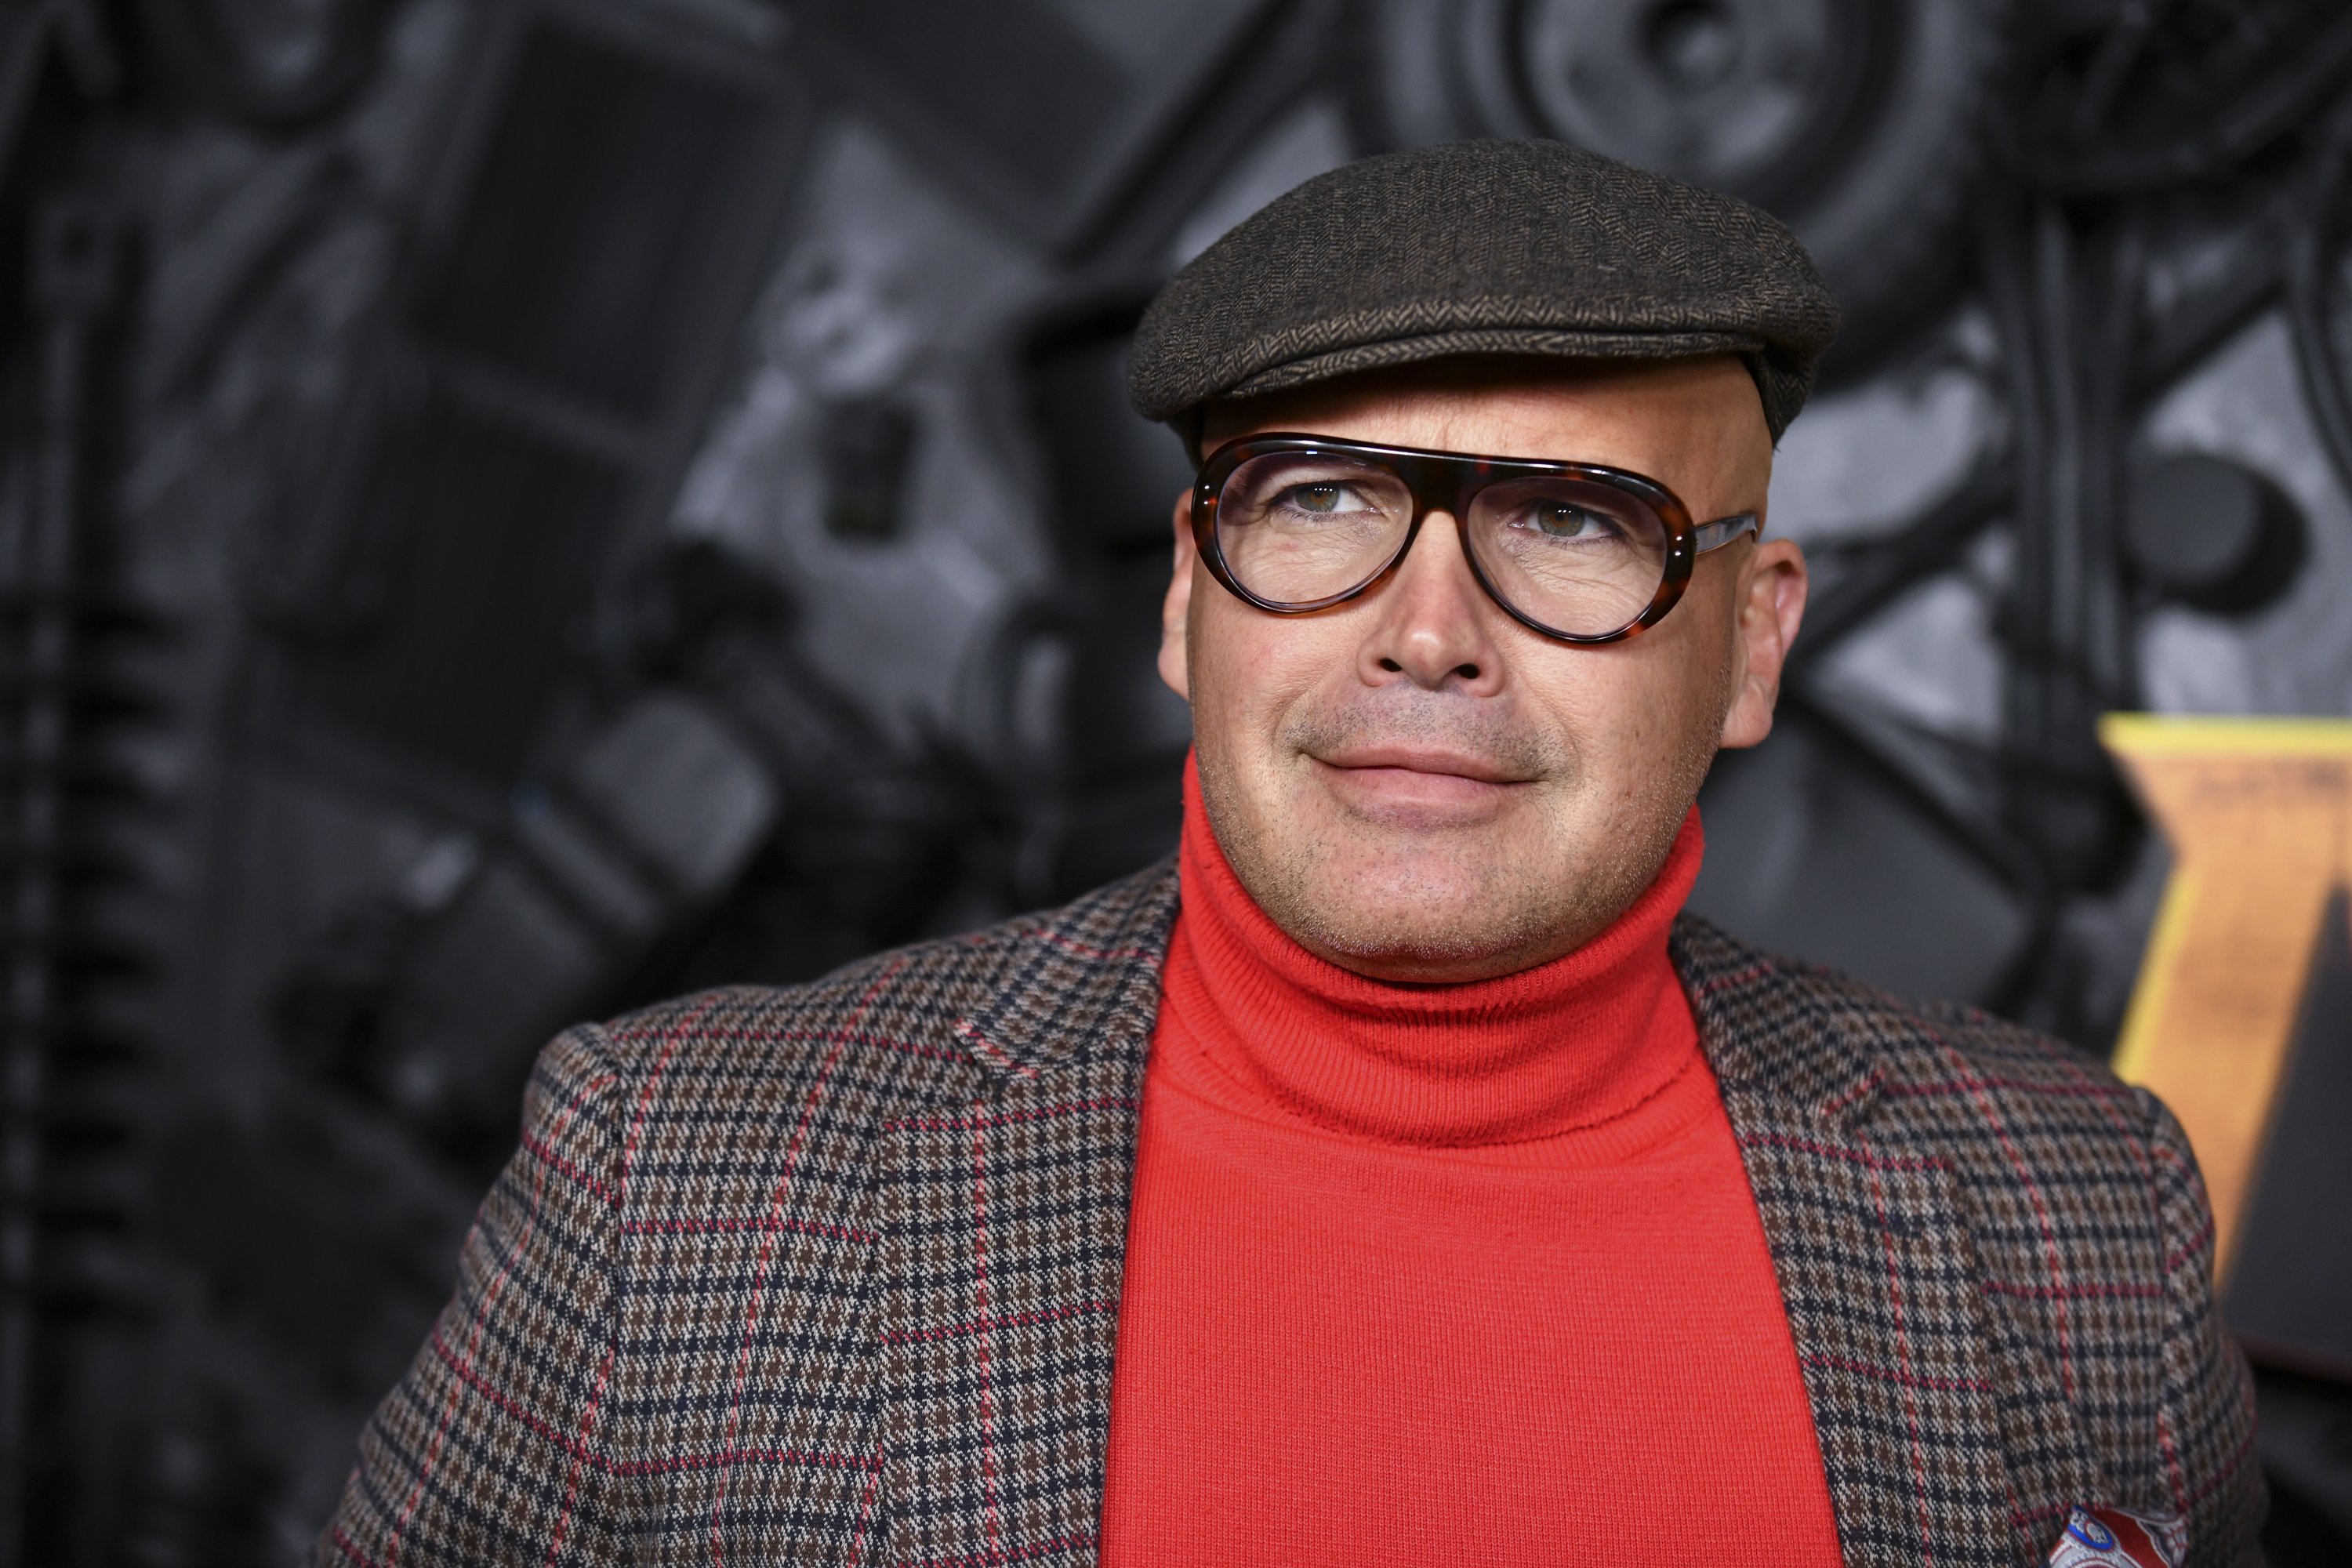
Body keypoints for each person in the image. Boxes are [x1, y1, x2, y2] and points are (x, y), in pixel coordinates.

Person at [318, 140, 2261, 1568]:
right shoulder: (673, 1188)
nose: (1428, 629)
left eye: (1576, 525)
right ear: (1185, 605)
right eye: (1321, 500)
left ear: (1751, 642)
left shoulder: (2085, 1227)